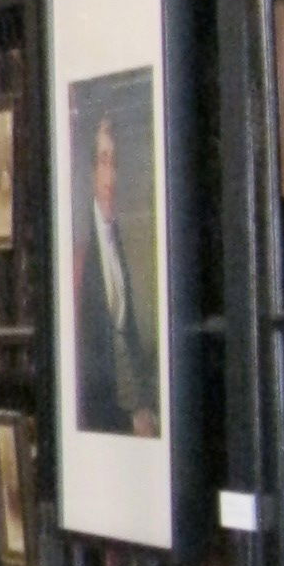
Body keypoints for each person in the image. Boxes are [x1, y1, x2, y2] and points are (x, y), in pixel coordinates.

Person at [75, 113, 159, 436]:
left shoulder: (123, 238)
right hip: (104, 418)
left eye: (115, 163)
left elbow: (133, 338)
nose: (111, 176)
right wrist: (128, 419)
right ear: (91, 172)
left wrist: (144, 408)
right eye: (104, 161)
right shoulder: (82, 246)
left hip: (134, 412)